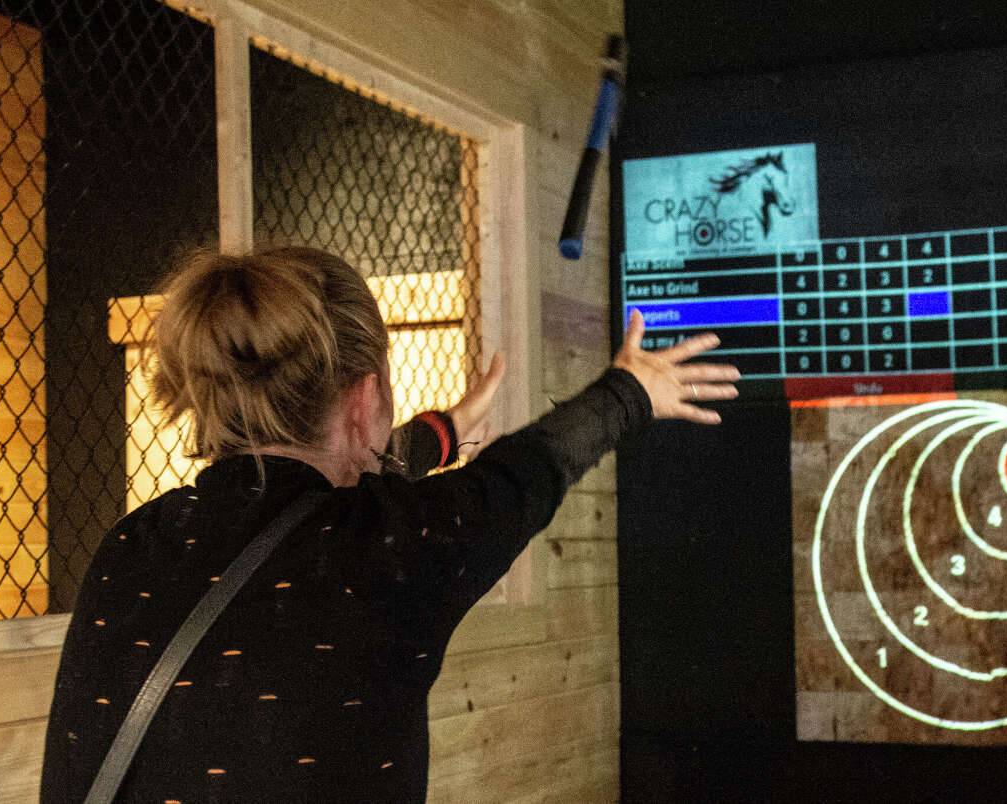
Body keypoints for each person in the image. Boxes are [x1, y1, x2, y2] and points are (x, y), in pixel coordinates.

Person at [40, 246, 738, 802]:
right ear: (364, 397)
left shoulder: (131, 544)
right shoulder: (389, 550)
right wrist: (631, 392)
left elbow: (309, 505)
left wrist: (439, 434)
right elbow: (528, 470)